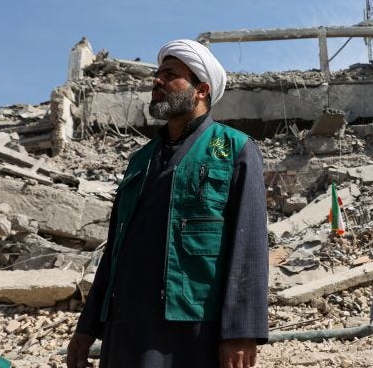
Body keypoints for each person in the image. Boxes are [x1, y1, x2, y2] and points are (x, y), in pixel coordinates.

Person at [66, 39, 268, 368]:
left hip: (191, 328)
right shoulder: (140, 161)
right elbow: (115, 248)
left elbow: (249, 246)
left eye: (169, 74)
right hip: (126, 327)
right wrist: (87, 327)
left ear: (201, 89)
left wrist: (241, 332)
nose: (156, 81)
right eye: (156, 74)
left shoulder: (234, 149)